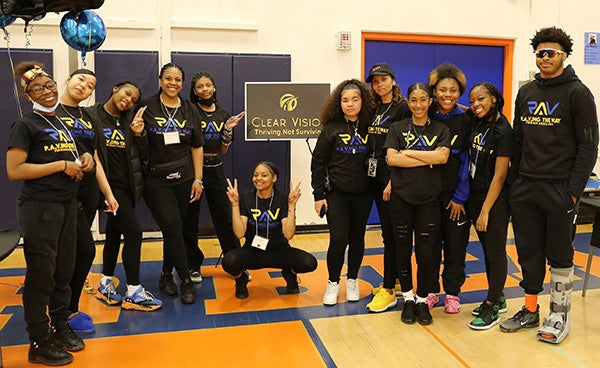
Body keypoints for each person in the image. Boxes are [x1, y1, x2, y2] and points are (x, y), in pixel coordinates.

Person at [500, 26, 598, 344]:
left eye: (551, 53)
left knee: (559, 252)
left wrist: (573, 190)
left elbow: (588, 147)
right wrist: (515, 183)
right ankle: (530, 310)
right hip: (526, 187)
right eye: (540, 52)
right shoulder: (526, 92)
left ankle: (559, 314)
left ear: (564, 55)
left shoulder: (578, 94)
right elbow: (518, 140)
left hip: (560, 189)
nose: (545, 58)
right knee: (528, 253)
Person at [6, 62, 91, 365]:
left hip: (67, 205)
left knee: (63, 272)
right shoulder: (26, 125)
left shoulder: (62, 122)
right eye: (37, 88)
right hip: (40, 208)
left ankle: (60, 325)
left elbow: (73, 153)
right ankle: (38, 341)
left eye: (50, 84)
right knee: (41, 276)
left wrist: (84, 158)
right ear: (27, 93)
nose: (47, 91)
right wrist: (61, 166)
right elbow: (15, 170)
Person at [88, 81, 162, 311]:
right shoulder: (92, 114)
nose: (128, 100)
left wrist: (139, 135)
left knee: (113, 233)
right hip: (106, 186)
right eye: (127, 93)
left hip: (127, 186)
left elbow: (143, 156)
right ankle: (133, 291)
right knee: (134, 234)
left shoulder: (130, 119)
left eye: (133, 99)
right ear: (115, 88)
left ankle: (106, 283)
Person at [383, 82, 450, 325]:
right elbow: (392, 159)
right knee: (402, 250)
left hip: (429, 201)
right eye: (413, 100)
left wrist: (408, 153)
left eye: (423, 99)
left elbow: (442, 157)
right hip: (401, 199)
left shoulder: (441, 128)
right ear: (408, 102)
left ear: (430, 101)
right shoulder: (397, 127)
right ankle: (408, 299)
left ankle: (423, 300)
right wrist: (427, 157)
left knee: (426, 255)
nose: (418, 105)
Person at [139, 62, 204, 304]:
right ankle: (185, 279)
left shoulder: (189, 109)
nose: (173, 83)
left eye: (177, 79)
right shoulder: (146, 106)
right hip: (156, 179)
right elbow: (138, 143)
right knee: (172, 226)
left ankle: (166, 274)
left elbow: (197, 146)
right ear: (160, 80)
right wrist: (136, 132)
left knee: (174, 230)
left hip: (185, 177)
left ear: (182, 83)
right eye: (168, 78)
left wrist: (198, 179)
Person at [311, 79, 374, 306]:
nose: (350, 104)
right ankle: (333, 282)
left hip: (363, 194)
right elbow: (317, 162)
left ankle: (353, 280)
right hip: (336, 193)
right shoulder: (331, 128)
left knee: (357, 237)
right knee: (338, 238)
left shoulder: (370, 126)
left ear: (362, 101)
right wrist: (318, 195)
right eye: (345, 100)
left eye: (355, 99)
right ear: (338, 103)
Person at [181, 71, 245, 282]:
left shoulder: (224, 113)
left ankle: (235, 262)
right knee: (190, 219)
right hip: (194, 170)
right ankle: (192, 265)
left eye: (208, 85)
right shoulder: (189, 111)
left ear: (214, 88)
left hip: (215, 167)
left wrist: (227, 130)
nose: (205, 89)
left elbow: (224, 149)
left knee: (224, 217)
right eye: (200, 86)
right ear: (195, 91)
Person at [55, 68, 105, 334]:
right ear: (68, 80)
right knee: (78, 251)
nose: (84, 86)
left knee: (80, 252)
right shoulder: (50, 112)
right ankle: (61, 309)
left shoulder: (88, 116)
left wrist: (106, 193)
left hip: (88, 191)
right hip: (62, 192)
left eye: (90, 85)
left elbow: (94, 157)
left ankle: (68, 308)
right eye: (80, 80)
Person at [223, 161, 317, 298]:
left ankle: (290, 273)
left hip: (279, 251)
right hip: (253, 251)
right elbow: (239, 233)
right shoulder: (245, 197)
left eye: (264, 175)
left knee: (309, 262)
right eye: (255, 175)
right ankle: (241, 278)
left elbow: (288, 234)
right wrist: (235, 204)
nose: (258, 178)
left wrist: (291, 205)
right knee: (229, 262)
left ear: (274, 178)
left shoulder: (282, 198)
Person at [466, 82, 514, 330]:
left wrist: (485, 210)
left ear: (494, 99)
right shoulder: (478, 121)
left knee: (495, 252)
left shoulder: (503, 131)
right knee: (486, 249)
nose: (476, 104)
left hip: (494, 200)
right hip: (476, 195)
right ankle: (499, 295)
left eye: (481, 99)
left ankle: (492, 305)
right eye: (473, 100)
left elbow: (500, 175)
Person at [363, 63, 411, 313]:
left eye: (383, 79)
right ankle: (394, 279)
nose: (378, 84)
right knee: (387, 234)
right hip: (373, 176)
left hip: (391, 179)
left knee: (393, 235)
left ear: (393, 80)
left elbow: (405, 145)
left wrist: (394, 181)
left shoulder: (402, 108)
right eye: (374, 80)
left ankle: (390, 290)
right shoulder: (373, 108)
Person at [426, 63, 472, 313]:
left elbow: (467, 162)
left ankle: (452, 293)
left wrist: (460, 197)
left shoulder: (465, 120)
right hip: (428, 198)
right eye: (442, 89)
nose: (447, 94)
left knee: (455, 248)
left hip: (456, 199)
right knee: (429, 247)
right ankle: (431, 290)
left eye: (453, 90)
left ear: (459, 92)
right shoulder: (425, 117)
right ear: (434, 91)